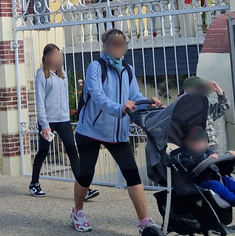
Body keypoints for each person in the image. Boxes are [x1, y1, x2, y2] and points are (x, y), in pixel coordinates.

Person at [71, 28, 162, 233]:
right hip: (91, 130)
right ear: (106, 46)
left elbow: (135, 97)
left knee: (132, 175)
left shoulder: (127, 69)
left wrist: (150, 104)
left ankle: (145, 222)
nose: (119, 48)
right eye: (115, 44)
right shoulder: (95, 67)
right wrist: (119, 108)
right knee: (86, 175)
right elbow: (98, 96)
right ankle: (77, 211)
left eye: (122, 44)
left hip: (118, 132)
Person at [29, 44, 99, 201]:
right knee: (43, 151)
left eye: (58, 55)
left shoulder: (63, 75)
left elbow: (64, 99)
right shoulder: (42, 75)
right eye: (53, 55)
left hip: (63, 120)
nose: (56, 58)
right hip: (48, 120)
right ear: (46, 57)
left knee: (72, 151)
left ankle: (84, 188)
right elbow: (40, 101)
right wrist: (44, 124)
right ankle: (34, 183)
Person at [170, 126, 235, 207]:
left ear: (207, 143)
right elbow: (190, 167)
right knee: (215, 185)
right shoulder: (183, 155)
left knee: (229, 180)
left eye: (200, 141)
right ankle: (233, 200)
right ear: (185, 142)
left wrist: (229, 159)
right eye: (193, 141)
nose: (196, 144)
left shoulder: (209, 152)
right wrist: (206, 160)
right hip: (198, 183)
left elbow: (222, 170)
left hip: (215, 178)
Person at [182, 76, 230, 147]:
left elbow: (224, 107)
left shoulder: (206, 106)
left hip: (211, 146)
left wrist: (220, 93)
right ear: (186, 91)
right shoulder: (180, 108)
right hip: (193, 148)